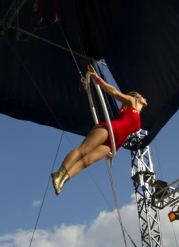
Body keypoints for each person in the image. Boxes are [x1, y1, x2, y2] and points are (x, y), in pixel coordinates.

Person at [51, 65, 147, 195]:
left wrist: (114, 151)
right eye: (142, 96)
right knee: (83, 151)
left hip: (113, 143)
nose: (144, 98)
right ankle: (59, 173)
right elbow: (114, 92)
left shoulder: (138, 119)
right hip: (109, 129)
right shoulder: (131, 102)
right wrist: (98, 79)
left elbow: (126, 133)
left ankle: (63, 179)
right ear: (136, 97)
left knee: (87, 162)